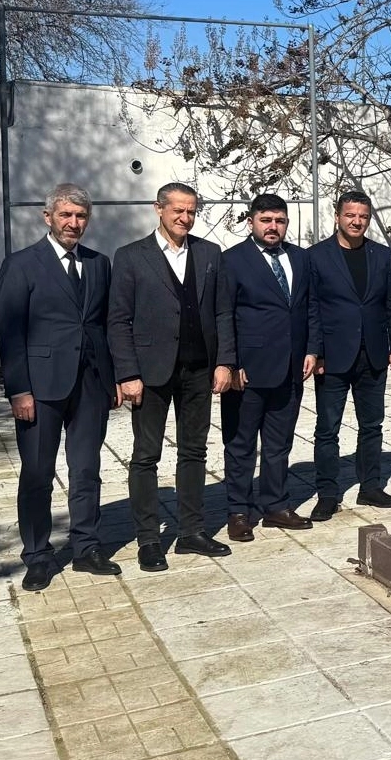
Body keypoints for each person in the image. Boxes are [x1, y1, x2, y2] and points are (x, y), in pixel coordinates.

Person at [0, 183, 120, 591]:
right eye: (65, 215)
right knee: (37, 473)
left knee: (86, 470)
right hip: (40, 387)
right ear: (47, 217)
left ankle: (87, 547)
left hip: (90, 385)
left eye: (81, 216)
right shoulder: (21, 264)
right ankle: (37, 555)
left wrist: (113, 378)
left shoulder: (98, 264)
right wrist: (19, 390)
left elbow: (104, 325)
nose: (73, 223)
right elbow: (9, 332)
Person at [108, 182, 235, 572]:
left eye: (191, 211)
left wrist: (225, 362)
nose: (185, 217)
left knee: (194, 451)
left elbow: (222, 313)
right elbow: (118, 320)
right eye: (178, 210)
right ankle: (148, 540)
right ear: (158, 209)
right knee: (146, 455)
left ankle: (191, 532)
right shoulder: (131, 257)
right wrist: (128, 372)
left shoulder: (209, 253)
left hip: (198, 370)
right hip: (151, 373)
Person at [220, 193, 319, 541]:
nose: (273, 227)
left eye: (279, 220)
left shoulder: (300, 258)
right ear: (251, 222)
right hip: (248, 370)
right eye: (266, 220)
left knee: (279, 444)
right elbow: (224, 315)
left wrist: (312, 349)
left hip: (291, 367)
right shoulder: (232, 260)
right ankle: (239, 511)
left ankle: (275, 505)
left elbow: (310, 307)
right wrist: (230, 363)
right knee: (241, 444)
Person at [306, 190, 391, 519]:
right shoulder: (316, 257)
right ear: (337, 217)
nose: (357, 221)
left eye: (363, 216)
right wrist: (315, 351)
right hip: (332, 357)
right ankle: (327, 493)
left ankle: (370, 486)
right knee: (327, 429)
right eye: (350, 215)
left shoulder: (382, 255)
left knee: (372, 425)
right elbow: (311, 308)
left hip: (372, 354)